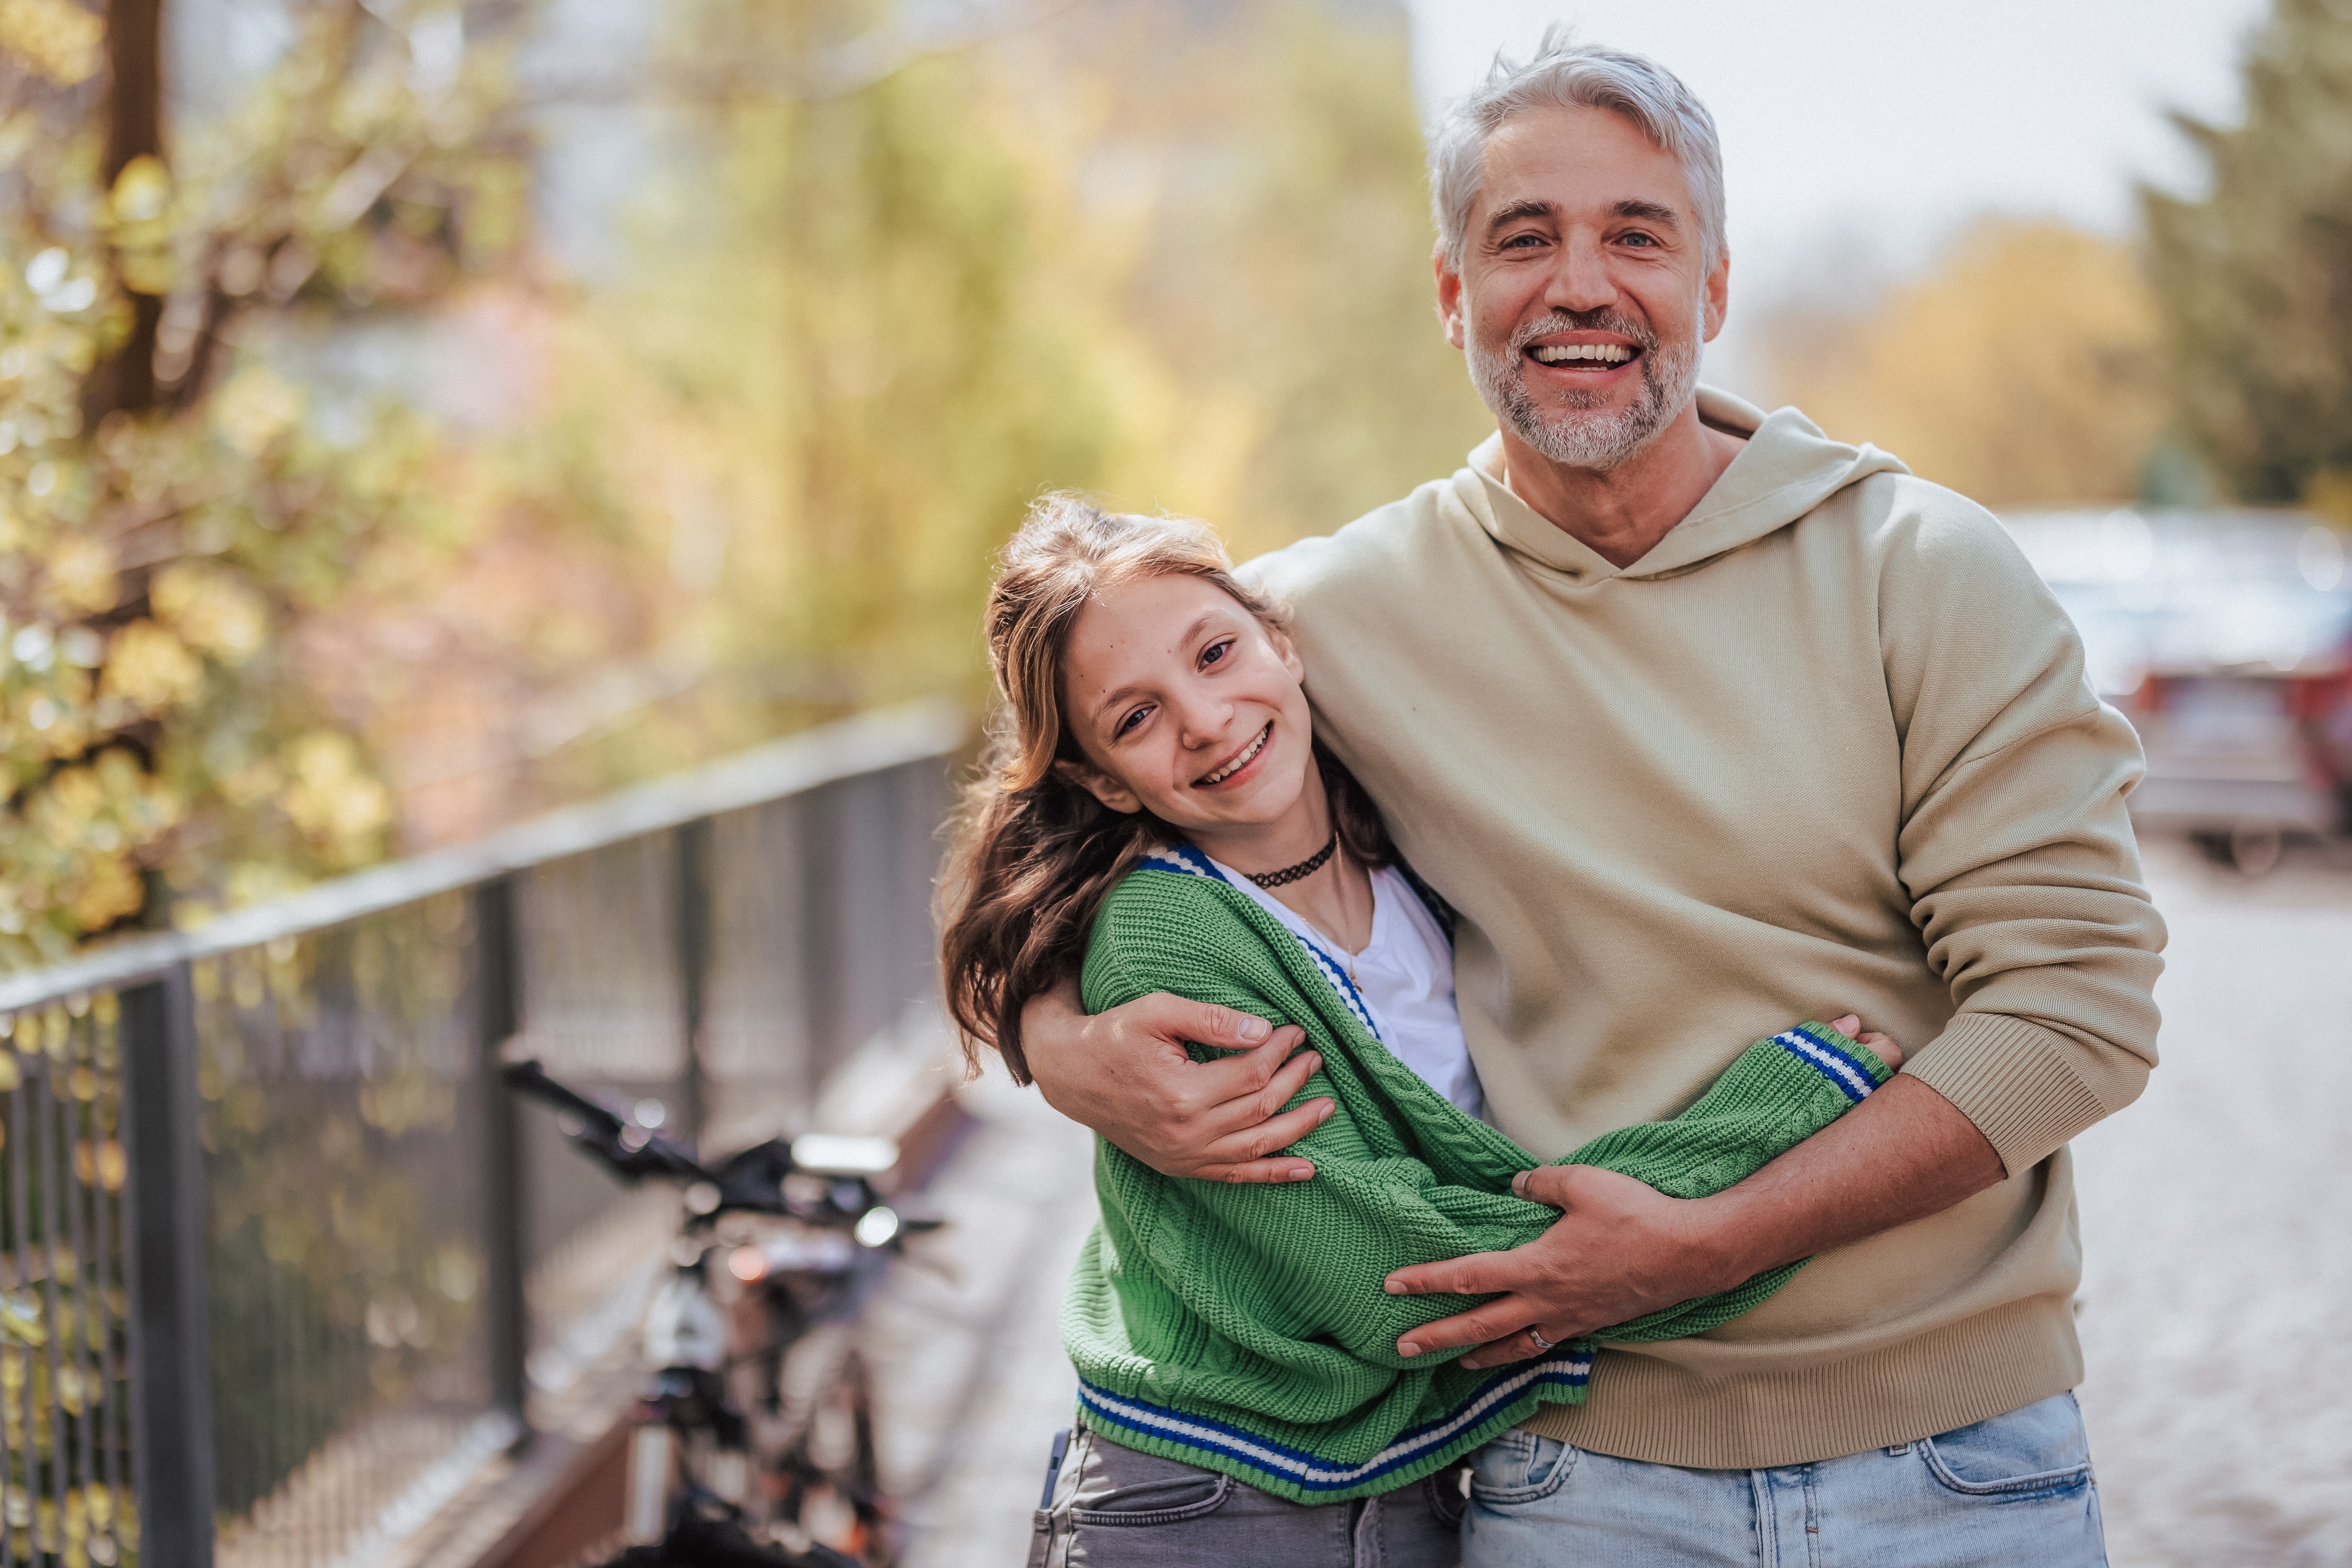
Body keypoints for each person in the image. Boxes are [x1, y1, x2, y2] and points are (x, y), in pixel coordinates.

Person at [1011, 32, 2163, 1568]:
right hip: (1574, 1472)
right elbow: (1052, 796)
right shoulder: (1323, 622)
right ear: (1450, 296)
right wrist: (1063, 1046)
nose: (1579, 286)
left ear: (1713, 285)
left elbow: (2078, 1008)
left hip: (1955, 1460)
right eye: (1523, 239)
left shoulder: (1922, 571)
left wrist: (1711, 1241)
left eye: (1636, 234)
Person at [937, 496, 1906, 1567]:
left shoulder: (1415, 860)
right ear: (1101, 780)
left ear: (1283, 640)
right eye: (1137, 717)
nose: (1206, 719)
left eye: (1216, 653)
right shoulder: (1169, 941)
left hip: (1416, 1487)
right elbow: (1391, 1271)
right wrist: (1778, 1117)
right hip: (1211, 1501)